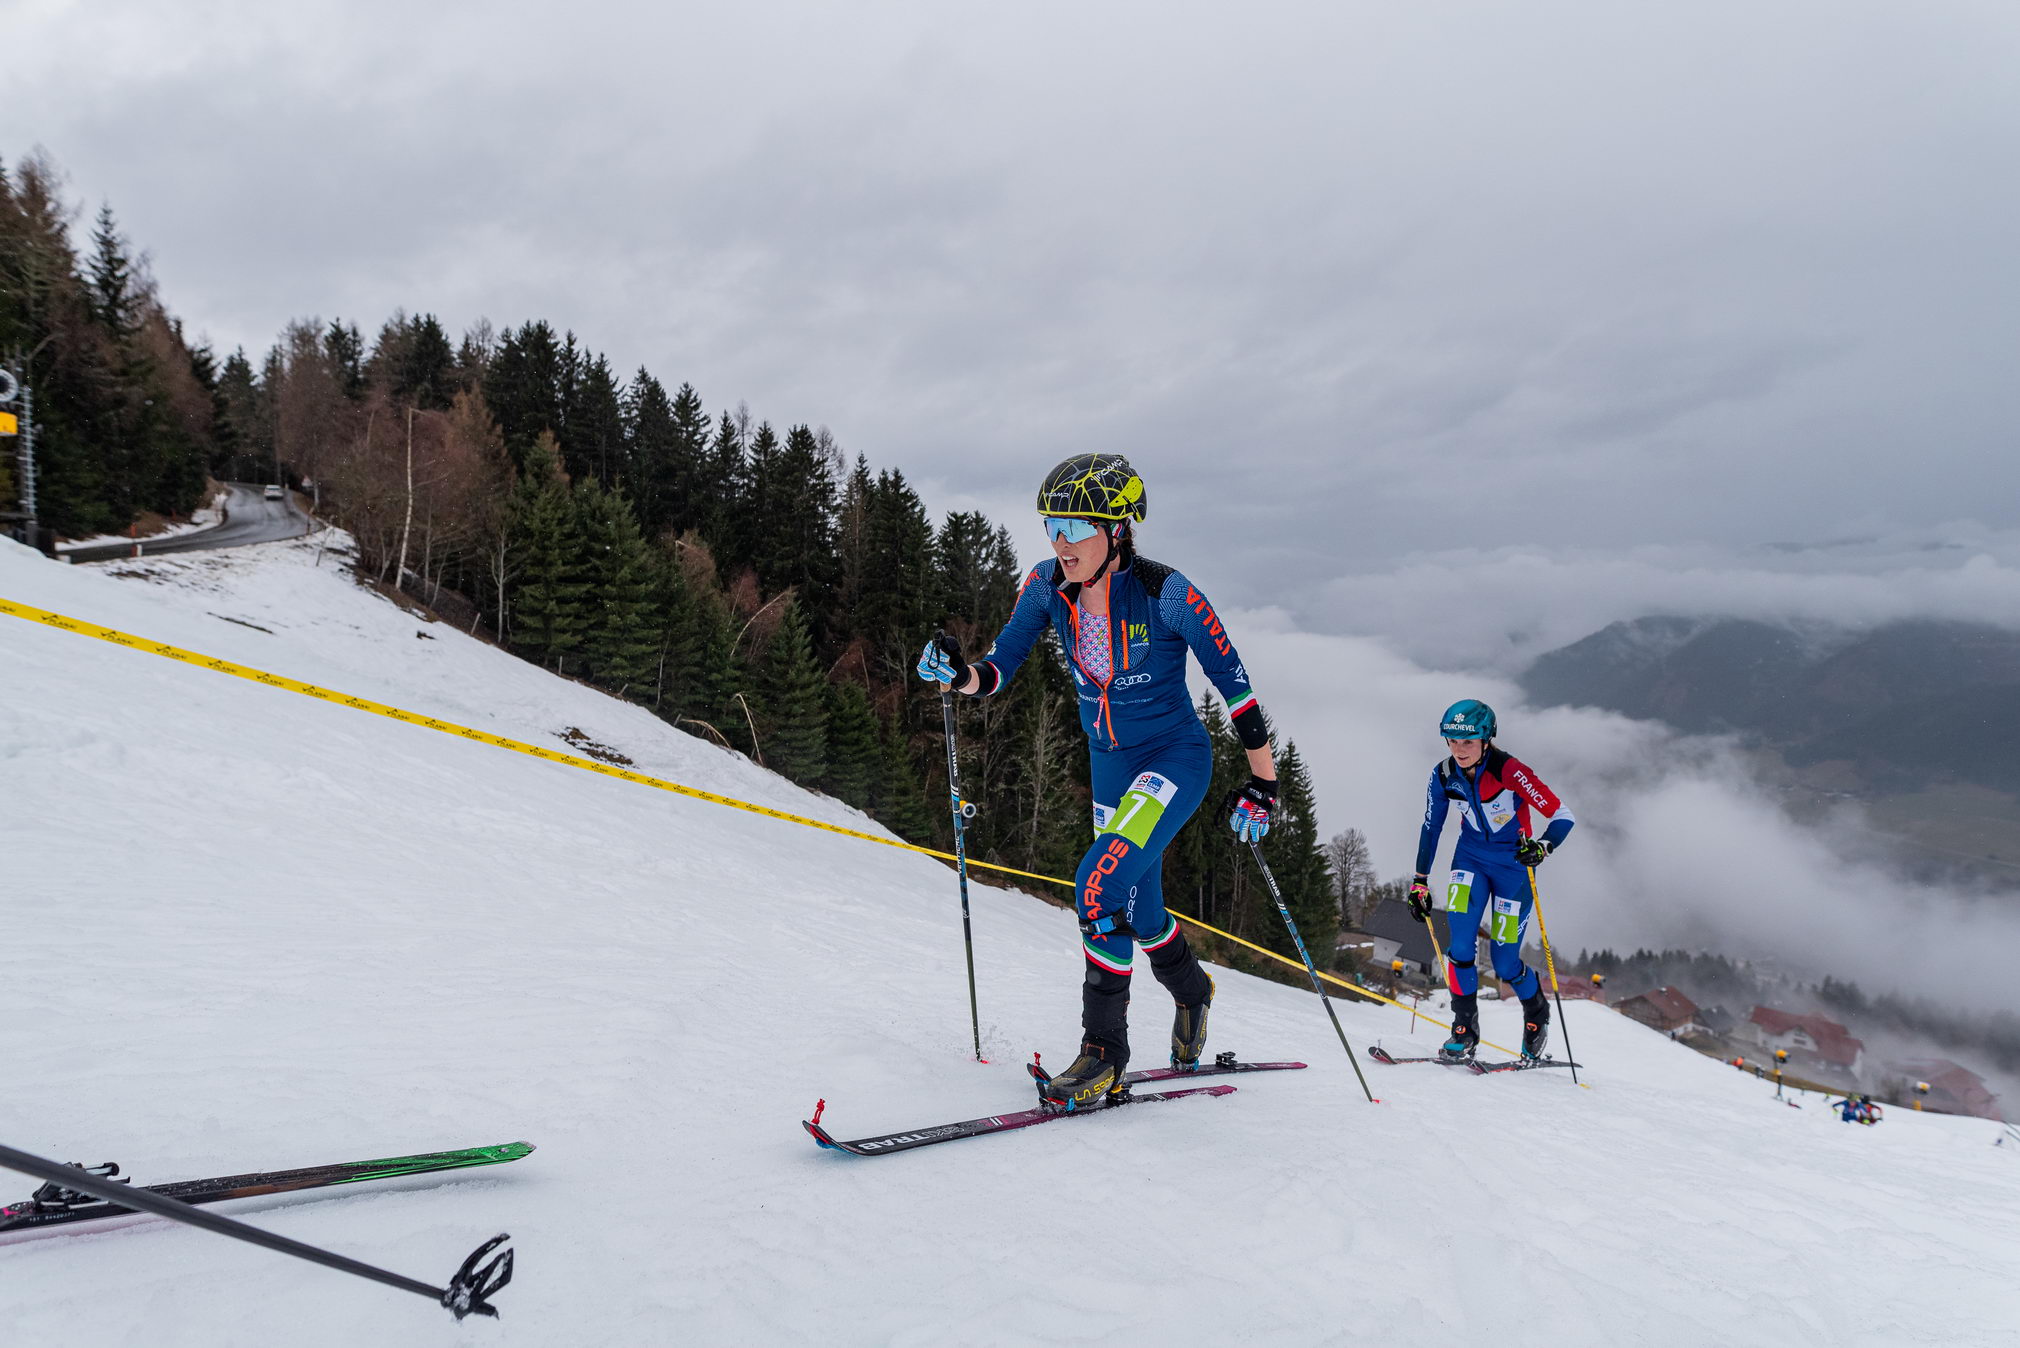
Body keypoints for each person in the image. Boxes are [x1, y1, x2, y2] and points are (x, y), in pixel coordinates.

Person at [916, 453, 1278, 1109]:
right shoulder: (1045, 586)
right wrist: (957, 674)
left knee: (1097, 883)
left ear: (1118, 530)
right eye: (1051, 525)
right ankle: (1194, 991)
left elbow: (1238, 691)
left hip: (1173, 761)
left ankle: (1104, 1051)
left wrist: (1263, 785)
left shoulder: (1170, 594)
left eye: (1076, 526)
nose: (1061, 542)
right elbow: (1000, 668)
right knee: (1137, 910)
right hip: (1110, 765)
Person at [1405, 700, 1575, 1062]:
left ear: (1486, 739)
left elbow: (1562, 814)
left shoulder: (1509, 770)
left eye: (1468, 742)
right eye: (1452, 740)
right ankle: (1463, 1027)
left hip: (1514, 868)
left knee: (1504, 962)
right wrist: (1419, 880)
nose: (1459, 749)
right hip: (1469, 860)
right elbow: (1431, 827)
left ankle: (1536, 1012)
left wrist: (1544, 846)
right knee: (1461, 945)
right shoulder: (1443, 775)